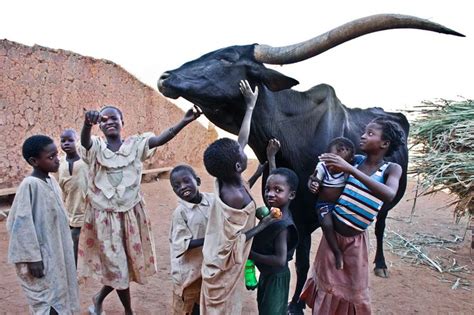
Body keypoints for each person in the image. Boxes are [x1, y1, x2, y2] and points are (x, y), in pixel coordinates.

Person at [78, 104, 201, 315]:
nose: (109, 122)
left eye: (114, 118)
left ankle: (99, 298)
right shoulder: (96, 147)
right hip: (105, 218)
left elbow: (162, 138)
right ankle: (128, 310)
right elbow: (85, 142)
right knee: (118, 267)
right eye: (104, 120)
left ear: (122, 122)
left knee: (123, 265)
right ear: (99, 125)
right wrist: (86, 125)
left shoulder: (136, 145)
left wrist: (184, 120)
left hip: (131, 215)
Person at [300, 117, 404, 314]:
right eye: (364, 132)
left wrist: (350, 170)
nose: (363, 136)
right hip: (331, 240)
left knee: (352, 291)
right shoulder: (354, 161)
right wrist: (314, 181)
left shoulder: (391, 169)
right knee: (326, 288)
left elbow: (389, 194)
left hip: (355, 243)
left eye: (370, 134)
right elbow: (325, 174)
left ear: (384, 144)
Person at [200, 80, 278, 314]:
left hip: (219, 257)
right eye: (242, 154)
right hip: (221, 266)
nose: (243, 149)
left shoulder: (229, 179)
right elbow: (234, 241)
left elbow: (241, 139)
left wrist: (250, 106)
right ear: (237, 165)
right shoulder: (234, 196)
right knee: (222, 308)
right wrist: (263, 224)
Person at [7, 135, 80, 314]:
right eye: (51, 157)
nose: (57, 160)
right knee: (48, 303)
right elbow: (19, 225)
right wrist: (33, 258)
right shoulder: (30, 186)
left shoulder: (51, 182)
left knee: (61, 296)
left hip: (57, 254)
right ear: (34, 161)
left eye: (57, 155)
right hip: (42, 258)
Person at [249, 139, 299, 315]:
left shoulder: (283, 225)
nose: (270, 194)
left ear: (291, 195)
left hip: (276, 277)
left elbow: (279, 259)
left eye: (277, 191)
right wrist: (271, 157)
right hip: (268, 274)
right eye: (267, 189)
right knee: (267, 309)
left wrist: (249, 253)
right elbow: (276, 179)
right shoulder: (277, 211)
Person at [169, 164, 214, 315]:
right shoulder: (180, 213)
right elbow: (182, 244)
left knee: (205, 303)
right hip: (188, 270)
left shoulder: (212, 201)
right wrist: (210, 239)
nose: (182, 187)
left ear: (198, 181)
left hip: (207, 267)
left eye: (186, 181)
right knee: (186, 305)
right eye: (177, 186)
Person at [307, 137, 355, 270]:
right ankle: (337, 252)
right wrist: (313, 185)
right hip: (325, 205)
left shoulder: (348, 170)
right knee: (326, 224)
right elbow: (314, 178)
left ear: (348, 162)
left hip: (341, 204)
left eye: (338, 162)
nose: (332, 166)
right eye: (330, 160)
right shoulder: (322, 166)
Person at [58, 129, 88, 266]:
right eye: (63, 141)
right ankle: (73, 267)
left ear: (77, 141)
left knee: (77, 237)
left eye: (70, 140)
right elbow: (60, 187)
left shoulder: (85, 160)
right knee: (73, 238)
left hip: (86, 208)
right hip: (70, 208)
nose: (66, 143)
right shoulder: (60, 164)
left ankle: (74, 267)